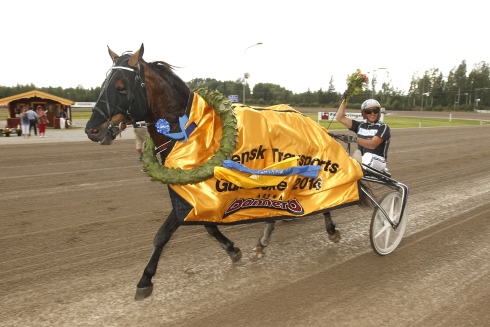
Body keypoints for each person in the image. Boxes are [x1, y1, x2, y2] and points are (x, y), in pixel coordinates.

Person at [336, 98, 391, 172]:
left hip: (379, 161)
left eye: (375, 111)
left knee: (368, 156)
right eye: (369, 111)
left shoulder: (383, 127)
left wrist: (354, 139)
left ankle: (357, 166)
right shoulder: (360, 126)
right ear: (364, 113)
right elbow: (340, 118)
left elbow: (373, 144)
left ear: (379, 113)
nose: (373, 114)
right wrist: (345, 100)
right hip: (363, 160)